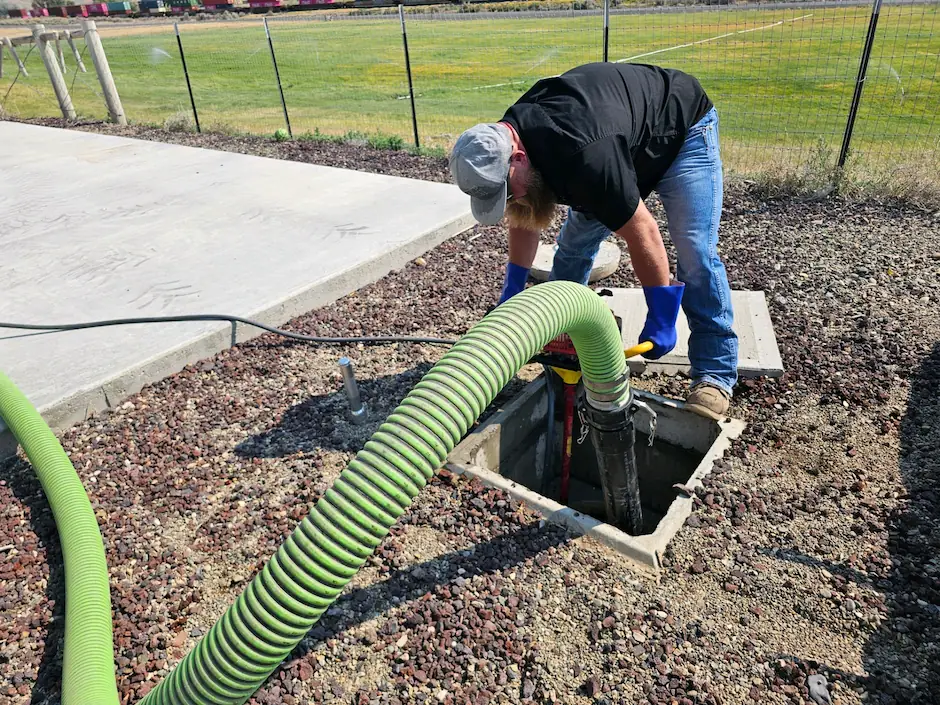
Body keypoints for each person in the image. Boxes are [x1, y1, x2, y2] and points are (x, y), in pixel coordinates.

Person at [448, 61, 738, 420]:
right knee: (570, 252)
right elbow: (524, 213)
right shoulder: (504, 139)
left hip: (681, 129)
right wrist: (512, 290)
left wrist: (662, 315)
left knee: (695, 250)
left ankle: (714, 372)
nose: (509, 201)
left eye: (507, 192)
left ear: (519, 158)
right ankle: (566, 349)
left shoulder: (585, 154)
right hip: (617, 149)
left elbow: (643, 232)